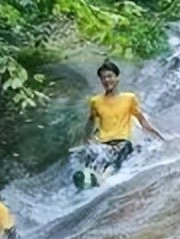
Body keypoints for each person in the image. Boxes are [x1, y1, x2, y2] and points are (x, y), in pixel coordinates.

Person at [73, 60, 171, 189]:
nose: (107, 80)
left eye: (109, 76)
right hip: (103, 143)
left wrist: (161, 138)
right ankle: (87, 177)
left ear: (117, 78)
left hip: (123, 142)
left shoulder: (129, 98)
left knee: (117, 154)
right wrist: (85, 141)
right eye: (103, 78)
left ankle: (102, 179)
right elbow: (90, 122)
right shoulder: (95, 101)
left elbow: (143, 122)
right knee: (93, 154)